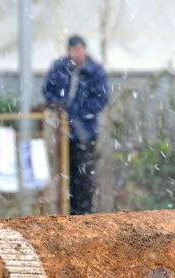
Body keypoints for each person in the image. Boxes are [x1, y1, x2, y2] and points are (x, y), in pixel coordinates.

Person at [43, 35, 109, 215]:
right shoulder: (60, 68)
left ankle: (83, 214)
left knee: (84, 176)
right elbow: (48, 90)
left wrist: (80, 113)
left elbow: (101, 98)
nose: (77, 53)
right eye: (74, 50)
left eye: (80, 49)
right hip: (63, 132)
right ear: (69, 51)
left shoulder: (94, 71)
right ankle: (69, 213)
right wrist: (59, 106)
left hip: (85, 132)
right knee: (66, 173)